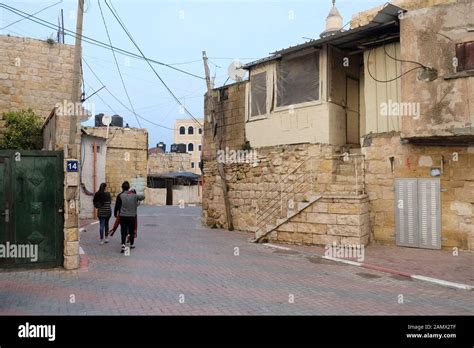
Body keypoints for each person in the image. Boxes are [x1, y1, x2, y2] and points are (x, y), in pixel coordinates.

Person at [114, 181, 145, 253]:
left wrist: (115, 213)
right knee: (131, 230)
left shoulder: (120, 195)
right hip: (132, 216)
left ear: (122, 187)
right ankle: (131, 244)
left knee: (123, 231)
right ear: (129, 188)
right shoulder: (134, 195)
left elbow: (117, 205)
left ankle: (123, 244)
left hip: (123, 216)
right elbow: (143, 197)